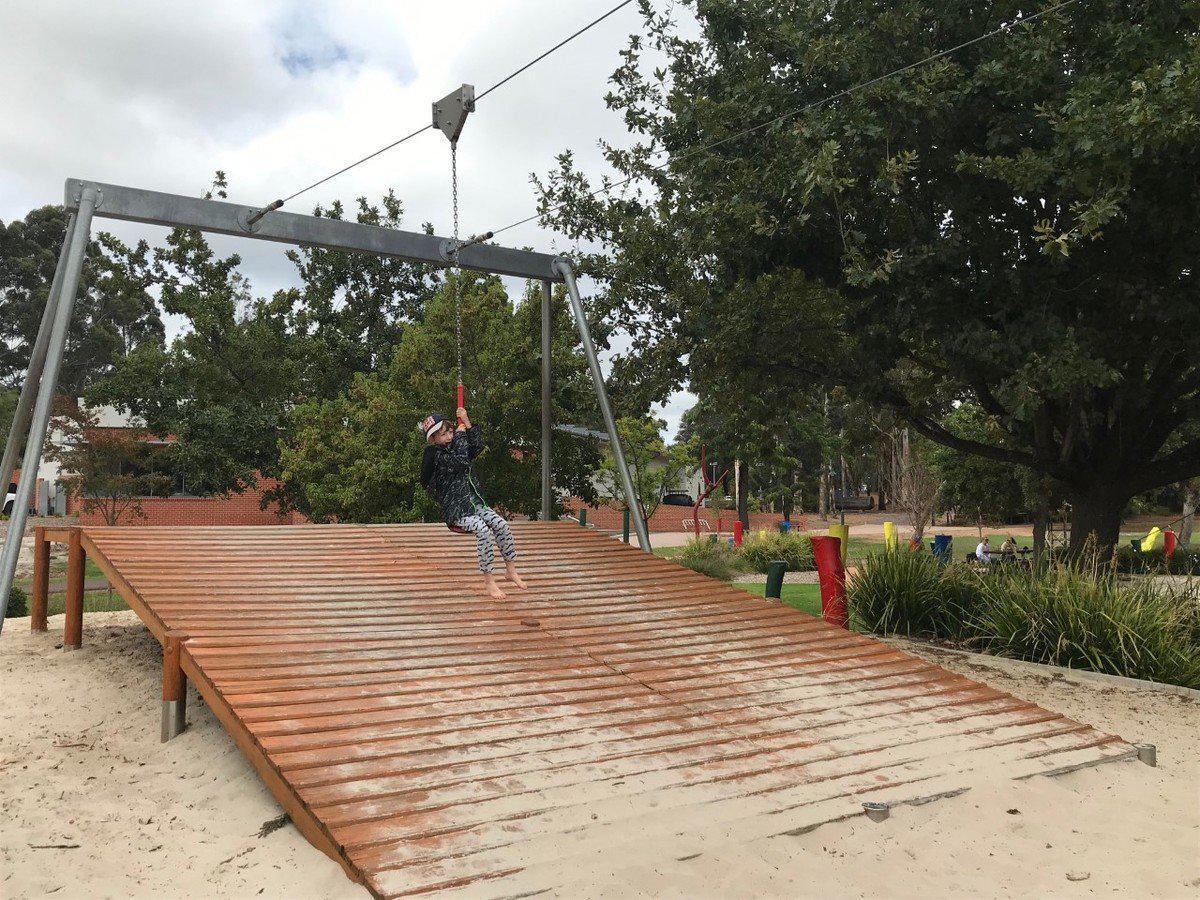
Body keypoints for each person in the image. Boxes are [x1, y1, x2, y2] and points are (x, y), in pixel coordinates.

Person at [419, 407, 527, 599]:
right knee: (483, 530)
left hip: (474, 504)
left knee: (501, 525)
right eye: (444, 434)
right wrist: (461, 437)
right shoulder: (437, 456)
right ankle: (489, 581)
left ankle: (511, 570)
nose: (449, 436)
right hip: (457, 511)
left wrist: (466, 423)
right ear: (433, 439)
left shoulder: (455, 446)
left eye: (450, 431)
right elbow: (461, 460)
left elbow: (476, 448)